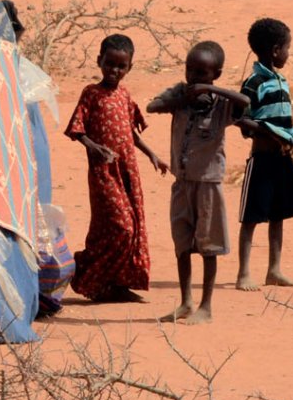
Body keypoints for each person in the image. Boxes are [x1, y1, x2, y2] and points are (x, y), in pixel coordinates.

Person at [147, 41, 250, 324]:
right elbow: (153, 105)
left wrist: (211, 91)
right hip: (181, 183)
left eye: (202, 74)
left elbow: (246, 103)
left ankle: (206, 305)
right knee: (182, 242)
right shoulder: (180, 94)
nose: (193, 77)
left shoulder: (221, 105)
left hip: (208, 185)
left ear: (216, 74)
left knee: (209, 245)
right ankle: (185, 302)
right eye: (190, 70)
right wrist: (185, 99)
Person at [63, 34, 167, 303]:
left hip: (128, 171)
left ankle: (115, 284)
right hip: (104, 172)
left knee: (132, 225)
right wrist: (92, 146)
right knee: (121, 227)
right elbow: (76, 129)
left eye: (121, 66)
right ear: (99, 61)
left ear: (129, 68)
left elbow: (131, 133)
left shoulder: (124, 94)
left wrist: (153, 155)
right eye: (110, 64)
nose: (114, 71)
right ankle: (86, 273)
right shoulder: (91, 93)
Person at [236, 17, 293, 291]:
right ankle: (244, 273)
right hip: (262, 160)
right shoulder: (253, 83)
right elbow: (243, 121)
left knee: (278, 214)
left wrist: (287, 137)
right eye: (287, 48)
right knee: (252, 216)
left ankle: (274, 269)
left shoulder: (281, 81)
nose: (289, 53)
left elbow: (284, 119)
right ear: (276, 50)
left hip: (281, 158)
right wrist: (269, 132)